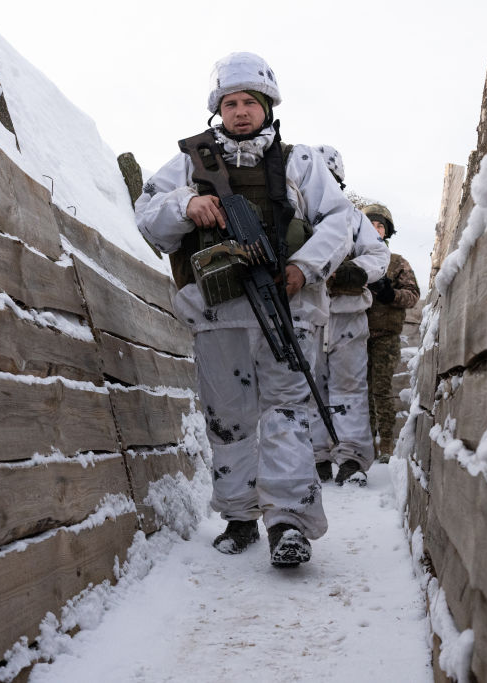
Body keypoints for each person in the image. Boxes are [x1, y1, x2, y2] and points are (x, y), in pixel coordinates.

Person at [134, 52, 352, 567]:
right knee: (228, 418)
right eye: (229, 103)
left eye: (249, 102)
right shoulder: (190, 163)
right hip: (217, 313)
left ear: (267, 105)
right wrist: (186, 206)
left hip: (286, 309)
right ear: (218, 110)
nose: (239, 112)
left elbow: (340, 221)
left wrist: (304, 267)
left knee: (287, 414)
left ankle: (288, 524)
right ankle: (238, 516)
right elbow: (147, 216)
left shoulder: (300, 162)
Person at [309, 146, 390, 487]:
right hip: (306, 314)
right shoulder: (294, 213)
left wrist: (355, 271)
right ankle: (317, 457)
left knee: (349, 388)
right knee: (309, 386)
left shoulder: (354, 219)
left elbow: (378, 254)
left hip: (347, 313)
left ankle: (353, 459)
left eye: (332, 176)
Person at [363, 203, 420, 463]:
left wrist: (390, 294)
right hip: (354, 335)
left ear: (387, 232)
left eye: (380, 226)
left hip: (385, 335)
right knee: (359, 391)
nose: (375, 230)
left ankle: (385, 445)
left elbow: (413, 296)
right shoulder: (353, 257)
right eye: (371, 225)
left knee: (382, 390)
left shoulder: (396, 263)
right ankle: (364, 445)